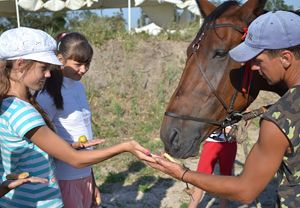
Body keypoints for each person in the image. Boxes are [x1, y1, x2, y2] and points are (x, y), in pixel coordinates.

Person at [147, 11, 300, 207]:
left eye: (258, 60)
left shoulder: (279, 120)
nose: (252, 67)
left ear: (285, 58)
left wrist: (183, 173)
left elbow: (245, 190)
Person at [0, 27, 155, 208]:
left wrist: (69, 146)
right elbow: (75, 159)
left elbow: (31, 149)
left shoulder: (9, 105)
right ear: (20, 65)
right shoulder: (23, 112)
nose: (49, 74)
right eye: (43, 68)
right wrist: (125, 147)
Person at [35, 32, 102, 208]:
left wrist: (92, 181)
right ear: (60, 59)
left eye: (87, 64)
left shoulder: (78, 87)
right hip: (65, 178)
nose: (84, 70)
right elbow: (41, 141)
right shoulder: (47, 94)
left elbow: (84, 137)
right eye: (78, 64)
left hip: (85, 174)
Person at [188, 126, 237, 208]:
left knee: (225, 180)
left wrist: (243, 128)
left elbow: (248, 115)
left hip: (230, 144)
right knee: (199, 179)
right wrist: (226, 130)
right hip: (212, 142)